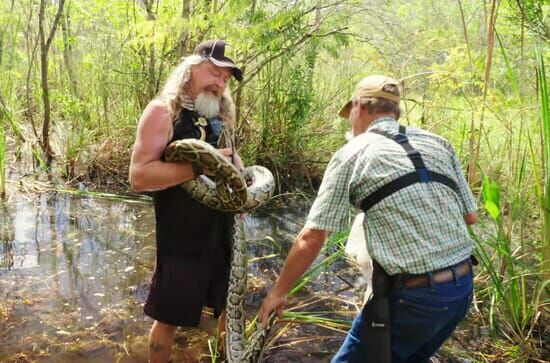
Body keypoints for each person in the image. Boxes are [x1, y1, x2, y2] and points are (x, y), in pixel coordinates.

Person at [259, 75, 478, 362]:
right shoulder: (439, 143)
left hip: (413, 299)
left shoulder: (352, 153)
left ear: (359, 107)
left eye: (348, 113)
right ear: (394, 111)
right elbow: (470, 215)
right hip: (462, 288)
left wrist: (278, 291)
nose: (349, 122)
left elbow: (312, 237)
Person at [129, 39, 245, 363]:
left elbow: (235, 165)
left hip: (223, 233)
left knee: (228, 311)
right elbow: (139, 177)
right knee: (167, 321)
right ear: (191, 68)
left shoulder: (221, 118)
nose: (220, 83)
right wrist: (198, 167)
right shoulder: (162, 112)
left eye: (225, 78)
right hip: (181, 239)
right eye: (214, 72)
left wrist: (243, 196)